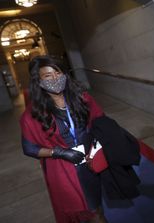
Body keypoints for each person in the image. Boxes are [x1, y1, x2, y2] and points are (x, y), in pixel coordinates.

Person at [20, 55, 107, 223]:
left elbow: (100, 123)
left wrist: (95, 148)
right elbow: (29, 148)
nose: (55, 78)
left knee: (97, 208)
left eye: (58, 73)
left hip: (91, 162)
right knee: (86, 214)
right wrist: (59, 152)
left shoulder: (82, 98)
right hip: (64, 169)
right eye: (48, 76)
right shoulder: (33, 114)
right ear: (38, 81)